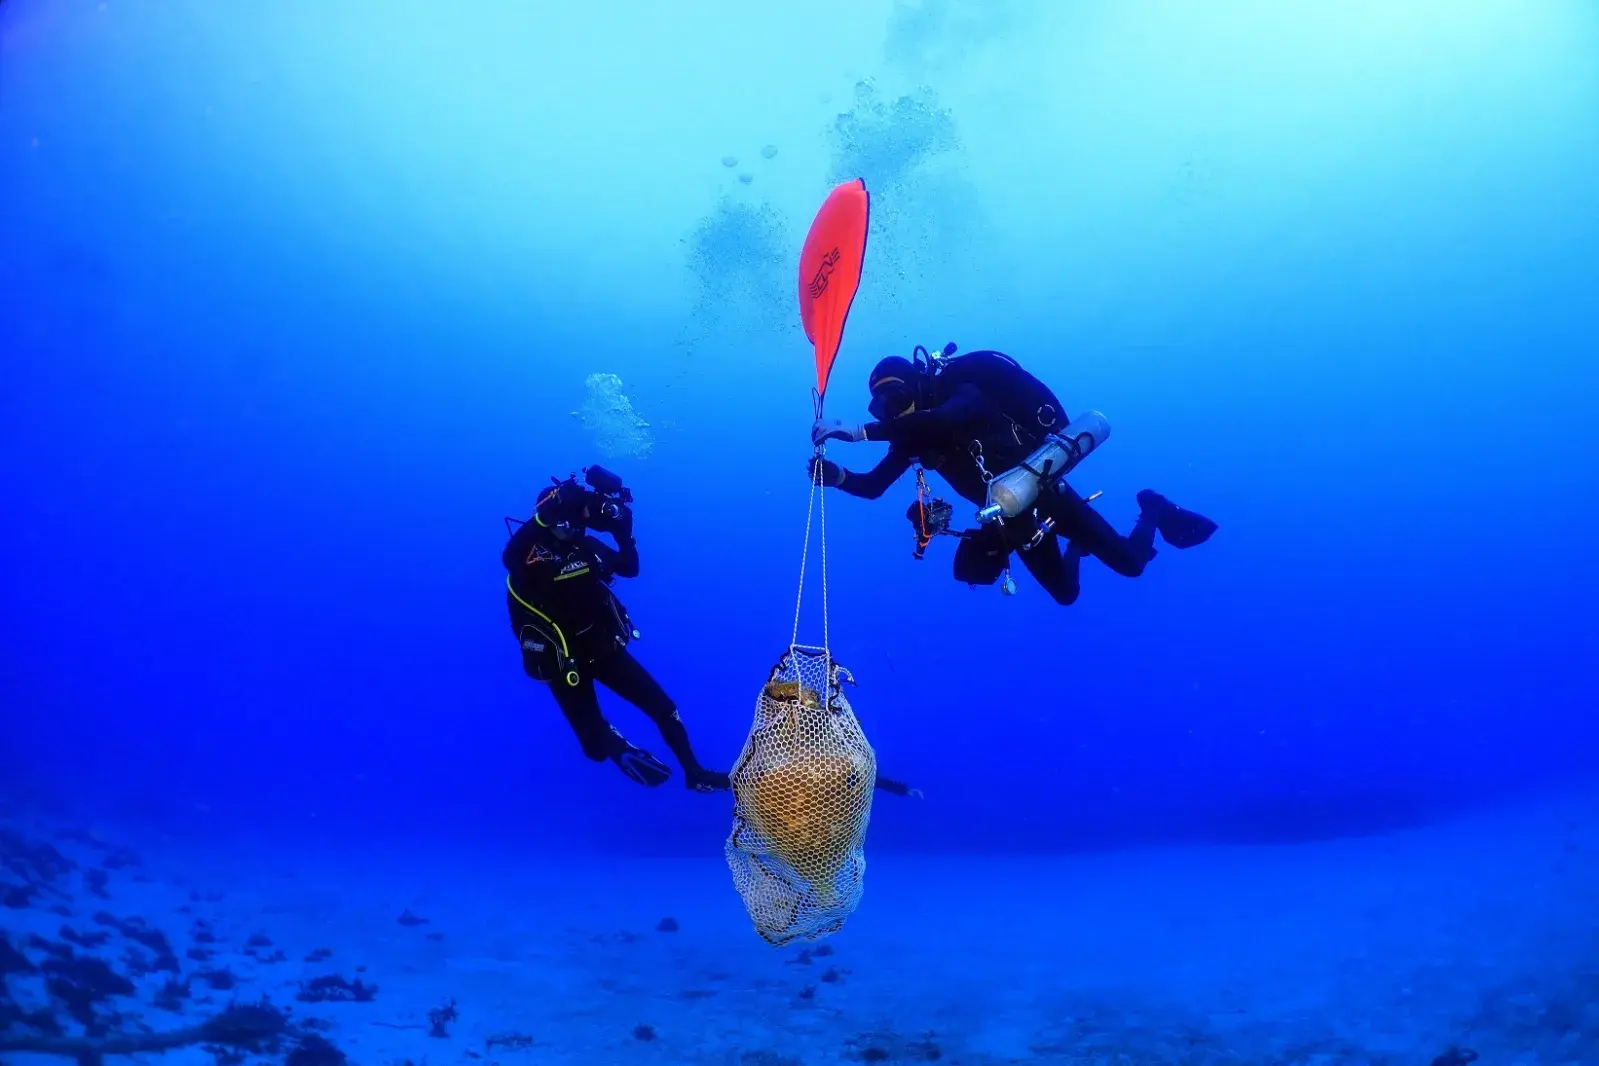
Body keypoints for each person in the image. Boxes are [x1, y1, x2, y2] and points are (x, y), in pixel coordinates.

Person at [809, 347, 1216, 605]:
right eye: (882, 409)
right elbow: (873, 486)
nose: (893, 413)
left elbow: (947, 418)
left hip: (1043, 488)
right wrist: (838, 475)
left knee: (1131, 565)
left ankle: (1153, 508)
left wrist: (862, 431)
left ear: (918, 387)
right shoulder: (911, 439)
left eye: (896, 400)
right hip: (1010, 514)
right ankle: (1078, 546)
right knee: (1066, 594)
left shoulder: (963, 388)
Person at [502, 466, 730, 792]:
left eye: (576, 520)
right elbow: (509, 557)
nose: (573, 526)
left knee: (665, 708)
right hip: (564, 660)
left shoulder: (587, 547)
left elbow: (630, 568)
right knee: (594, 749)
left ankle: (694, 772)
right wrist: (546, 516)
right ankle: (614, 745)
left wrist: (624, 531)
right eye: (565, 519)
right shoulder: (529, 558)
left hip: (603, 648)